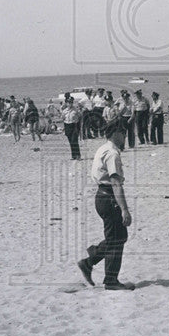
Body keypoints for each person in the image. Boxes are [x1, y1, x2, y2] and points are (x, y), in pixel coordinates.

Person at [77, 120, 135, 290]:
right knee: (116, 240)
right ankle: (109, 279)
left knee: (118, 237)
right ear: (116, 132)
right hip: (109, 198)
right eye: (123, 132)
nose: (125, 136)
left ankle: (91, 260)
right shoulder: (112, 154)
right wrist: (124, 209)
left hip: (101, 196)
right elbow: (116, 183)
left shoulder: (103, 148)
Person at [61, 94, 83, 159]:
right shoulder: (64, 111)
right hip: (67, 126)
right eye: (68, 102)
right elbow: (63, 118)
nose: (69, 104)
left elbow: (80, 117)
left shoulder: (75, 110)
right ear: (66, 103)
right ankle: (73, 156)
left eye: (71, 102)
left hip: (74, 126)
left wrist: (79, 126)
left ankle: (78, 155)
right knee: (70, 142)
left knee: (74, 141)